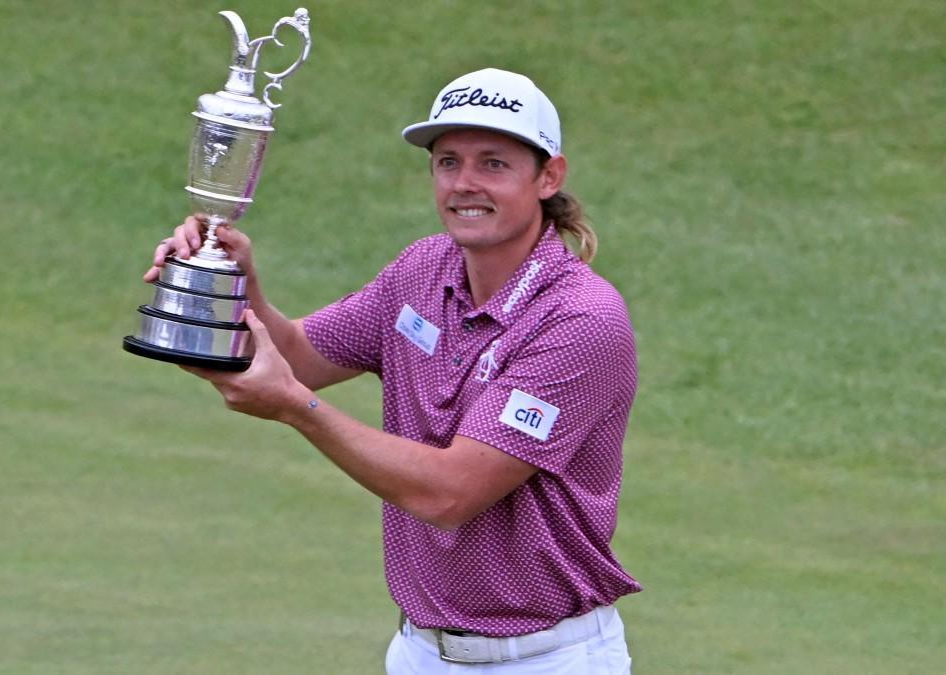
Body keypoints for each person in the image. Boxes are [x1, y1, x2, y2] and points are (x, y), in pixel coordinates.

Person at [146, 68, 640, 673]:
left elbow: (451, 492)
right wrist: (224, 288)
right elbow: (297, 357)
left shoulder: (580, 320)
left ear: (548, 177)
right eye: (447, 161)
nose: (464, 184)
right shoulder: (423, 269)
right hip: (418, 652)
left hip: (545, 659)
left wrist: (299, 411)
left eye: (493, 163)